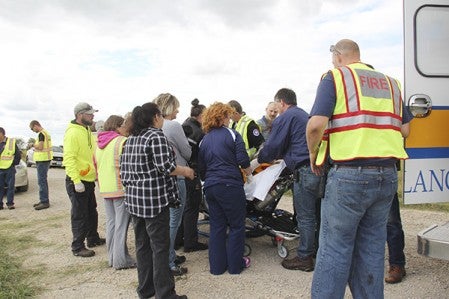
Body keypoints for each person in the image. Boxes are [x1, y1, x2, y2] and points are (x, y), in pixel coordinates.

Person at [306, 39, 411, 298]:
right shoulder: (392, 83)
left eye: (334, 60)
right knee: (372, 250)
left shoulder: (336, 77)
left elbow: (316, 126)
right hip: (386, 175)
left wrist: (312, 152)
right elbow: (405, 129)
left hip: (350, 175)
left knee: (334, 249)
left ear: (339, 56)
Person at [120, 102, 193, 299]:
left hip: (135, 202)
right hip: (154, 202)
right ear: (155, 117)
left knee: (143, 247)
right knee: (160, 248)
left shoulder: (131, 139)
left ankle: (146, 290)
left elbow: (124, 172)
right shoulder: (155, 136)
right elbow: (167, 168)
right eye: (160, 115)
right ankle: (166, 294)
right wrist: (185, 170)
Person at [257, 88, 323, 272]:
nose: (276, 109)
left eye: (277, 105)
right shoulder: (304, 115)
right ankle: (317, 249)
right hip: (317, 169)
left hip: (303, 170)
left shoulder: (286, 117)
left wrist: (261, 159)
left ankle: (304, 258)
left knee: (305, 216)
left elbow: (274, 146)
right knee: (317, 214)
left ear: (282, 102)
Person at [198, 102, 252, 275]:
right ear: (221, 117)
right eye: (228, 116)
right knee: (236, 225)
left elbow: (202, 169)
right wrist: (249, 174)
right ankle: (236, 266)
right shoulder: (232, 134)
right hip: (230, 184)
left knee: (217, 226)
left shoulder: (204, 140)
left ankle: (217, 267)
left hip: (211, 186)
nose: (230, 120)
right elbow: (243, 160)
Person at [153, 93, 192, 276]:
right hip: (178, 175)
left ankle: (169, 254)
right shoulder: (174, 126)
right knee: (174, 221)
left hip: (162, 179)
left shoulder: (153, 128)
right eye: (176, 107)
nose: (178, 111)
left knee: (167, 220)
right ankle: (168, 262)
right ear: (169, 108)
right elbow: (187, 151)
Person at [93, 115, 136, 270]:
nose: (126, 128)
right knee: (121, 226)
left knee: (111, 224)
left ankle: (112, 257)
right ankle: (120, 260)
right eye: (124, 125)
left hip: (106, 189)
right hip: (120, 188)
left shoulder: (99, 144)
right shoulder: (121, 142)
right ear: (118, 126)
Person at [64, 102, 105, 258]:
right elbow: (69, 158)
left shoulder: (86, 129)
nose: (93, 116)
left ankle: (92, 238)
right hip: (78, 180)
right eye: (90, 114)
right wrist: (76, 181)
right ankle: (77, 246)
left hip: (87, 179)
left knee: (91, 211)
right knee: (79, 214)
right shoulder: (73, 133)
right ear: (80, 115)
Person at [175, 98, 208, 253]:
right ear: (200, 115)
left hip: (181, 171)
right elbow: (192, 154)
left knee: (182, 208)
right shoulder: (197, 131)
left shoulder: (184, 125)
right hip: (191, 171)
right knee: (192, 208)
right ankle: (191, 242)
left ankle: (178, 240)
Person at [29, 120, 53, 210]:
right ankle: (43, 199)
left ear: (36, 125)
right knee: (43, 181)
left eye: (32, 128)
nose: (33, 130)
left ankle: (44, 201)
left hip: (42, 160)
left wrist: (32, 144)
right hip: (45, 159)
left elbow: (40, 147)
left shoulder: (41, 134)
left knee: (41, 181)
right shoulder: (46, 133)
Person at [0, 127, 21, 210]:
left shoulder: (11, 142)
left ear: (2, 133)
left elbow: (18, 154)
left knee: (10, 187)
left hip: (9, 168)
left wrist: (13, 163)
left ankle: (10, 204)